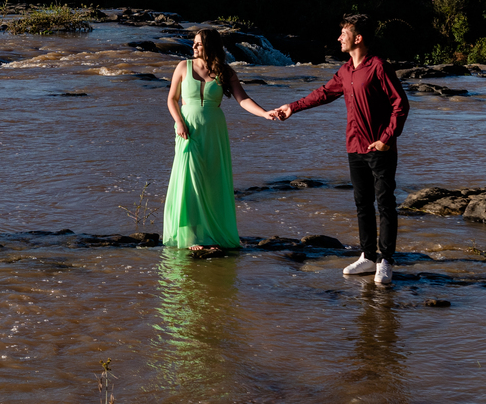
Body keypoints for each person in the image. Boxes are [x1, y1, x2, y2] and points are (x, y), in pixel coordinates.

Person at [270, 14, 409, 286]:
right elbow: (323, 93)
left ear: (358, 38)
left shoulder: (378, 67)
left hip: (379, 147)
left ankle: (386, 261)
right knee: (362, 204)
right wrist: (292, 107)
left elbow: (400, 105)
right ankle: (368, 256)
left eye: (343, 33)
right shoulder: (345, 71)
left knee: (385, 203)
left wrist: (387, 138)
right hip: (354, 146)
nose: (338, 38)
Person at [164, 28, 277, 253]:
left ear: (210, 46)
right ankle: (194, 236)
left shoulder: (225, 71)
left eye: (198, 44)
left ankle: (212, 234)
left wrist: (265, 113)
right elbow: (171, 99)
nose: (193, 47)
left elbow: (243, 99)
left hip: (215, 132)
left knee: (212, 181)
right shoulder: (183, 67)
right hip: (188, 131)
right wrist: (178, 122)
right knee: (190, 180)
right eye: (194, 43)